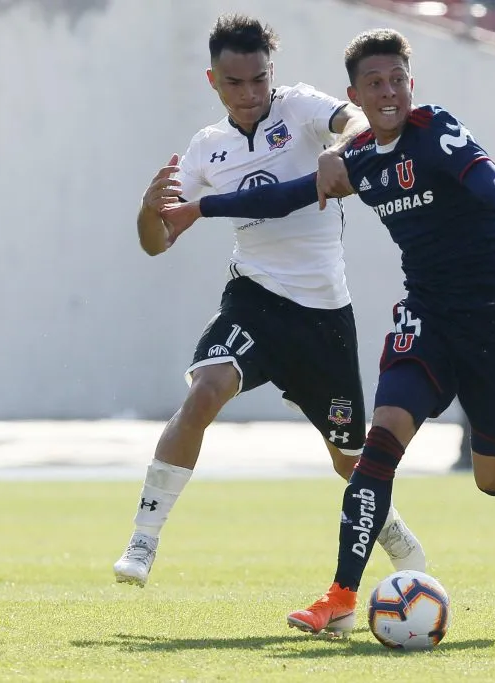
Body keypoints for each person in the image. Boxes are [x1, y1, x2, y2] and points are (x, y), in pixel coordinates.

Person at [162, 28, 495, 636]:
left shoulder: (436, 132)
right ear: (356, 96)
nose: (389, 92)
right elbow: (287, 198)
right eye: (375, 83)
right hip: (428, 316)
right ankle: (341, 595)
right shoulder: (361, 160)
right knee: (379, 445)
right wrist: (198, 207)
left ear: (410, 84)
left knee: (492, 479)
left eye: (397, 80)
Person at [114, 14, 426, 588]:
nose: (250, 93)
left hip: (325, 315)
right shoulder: (206, 149)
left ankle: (390, 528)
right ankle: (143, 538)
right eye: (235, 83)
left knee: (348, 459)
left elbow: (356, 119)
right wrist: (147, 210)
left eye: (259, 79)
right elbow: (157, 242)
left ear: (271, 72)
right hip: (254, 299)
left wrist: (340, 147)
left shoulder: (299, 107)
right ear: (213, 81)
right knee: (205, 391)